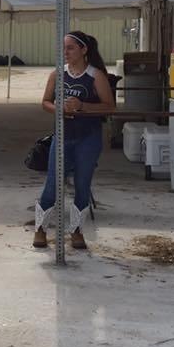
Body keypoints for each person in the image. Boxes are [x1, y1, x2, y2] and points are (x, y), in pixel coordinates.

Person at [31, 31, 114, 251]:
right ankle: (41, 228)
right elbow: (45, 102)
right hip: (63, 137)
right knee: (52, 185)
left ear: (84, 50)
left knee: (82, 185)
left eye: (70, 48)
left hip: (88, 138)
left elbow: (110, 106)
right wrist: (59, 107)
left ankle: (76, 231)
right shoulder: (57, 74)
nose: (65, 52)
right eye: (63, 48)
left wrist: (82, 106)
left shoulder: (96, 76)